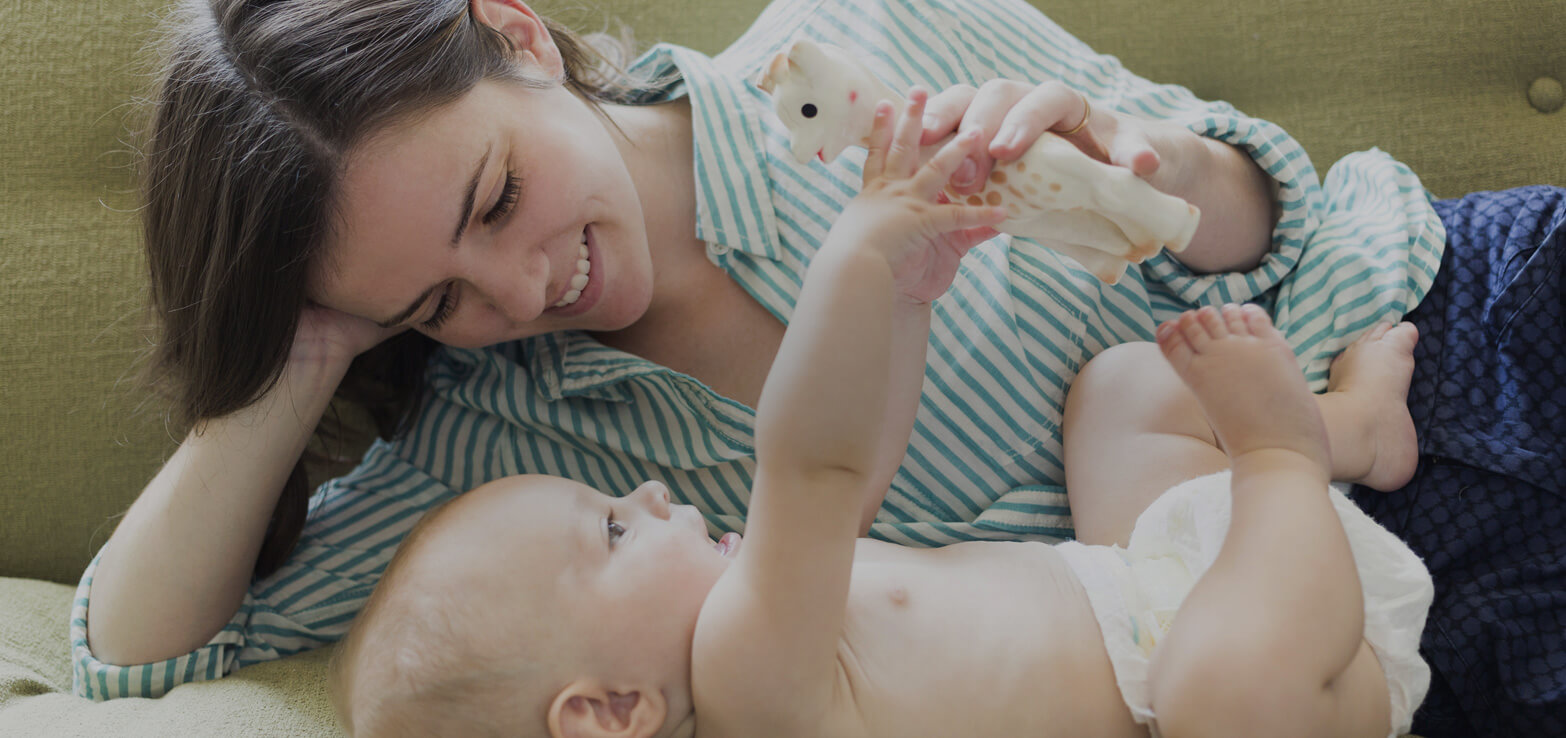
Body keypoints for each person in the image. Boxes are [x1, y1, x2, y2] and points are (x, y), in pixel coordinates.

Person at [69, 0, 1562, 734]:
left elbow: (1269, 207)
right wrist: (310, 327)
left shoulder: (843, 40)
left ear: (514, 34)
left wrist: (1153, 169)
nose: (520, 289)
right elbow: (132, 659)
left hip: (1434, 316)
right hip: (1304, 634)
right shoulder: (490, 472)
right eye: (429, 302)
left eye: (492, 201)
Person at [327, 93, 1435, 738]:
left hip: (1159, 577)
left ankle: (1351, 432)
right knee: (1218, 686)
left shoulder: (775, 645)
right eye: (613, 528)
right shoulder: (752, 683)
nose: (654, 494)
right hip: (1261, 683)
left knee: (1123, 391)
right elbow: (812, 465)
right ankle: (1292, 455)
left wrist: (907, 302)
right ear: (609, 713)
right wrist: (866, 247)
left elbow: (853, 479)